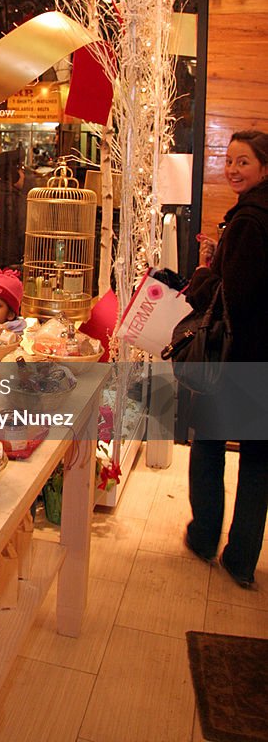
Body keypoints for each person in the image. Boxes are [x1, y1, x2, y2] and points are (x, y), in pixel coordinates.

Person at [183, 129, 268, 588]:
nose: (232, 170)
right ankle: (241, 560)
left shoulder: (249, 220)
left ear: (264, 168)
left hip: (237, 354)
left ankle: (202, 538)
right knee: (259, 458)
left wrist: (203, 270)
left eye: (243, 163)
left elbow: (231, 292)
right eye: (229, 160)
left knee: (210, 443)